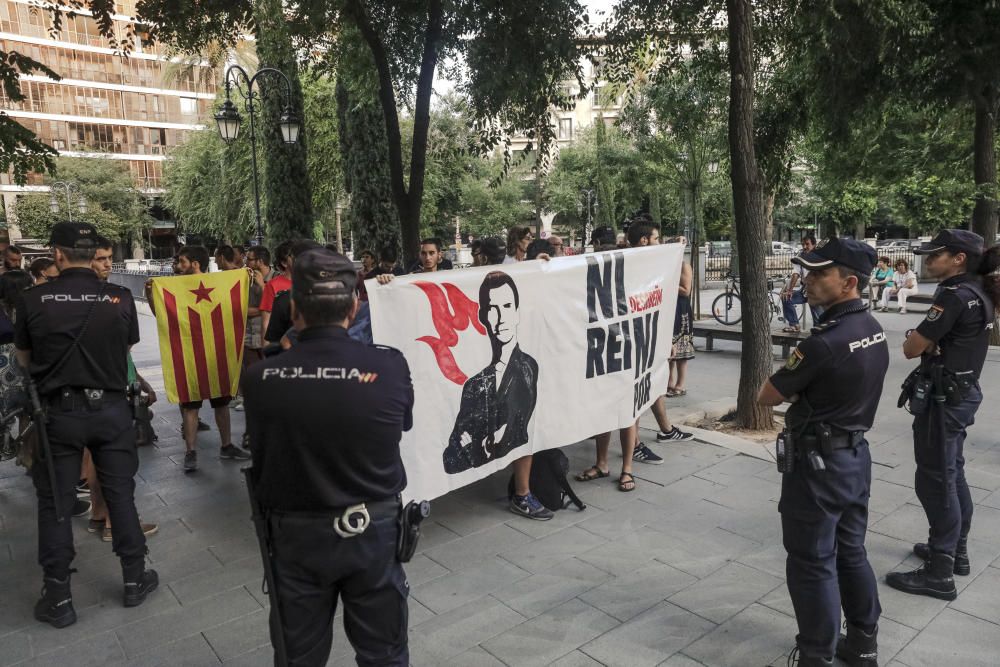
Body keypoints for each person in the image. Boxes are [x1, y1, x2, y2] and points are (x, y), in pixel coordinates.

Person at [244, 248, 413, 666]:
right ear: (354, 307)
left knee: (297, 656)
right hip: (373, 532)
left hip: (296, 537)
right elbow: (401, 425)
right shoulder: (390, 367)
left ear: (295, 307)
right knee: (384, 655)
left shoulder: (259, 378)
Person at [16, 221, 157, 629]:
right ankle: (134, 579)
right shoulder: (118, 297)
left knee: (57, 504)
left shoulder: (33, 299)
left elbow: (24, 362)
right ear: (91, 252)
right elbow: (124, 349)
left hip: (57, 415)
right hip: (111, 411)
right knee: (121, 496)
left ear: (57, 254)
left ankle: (58, 598)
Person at [757, 237, 888, 667]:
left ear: (848, 282)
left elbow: (766, 395)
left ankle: (816, 655)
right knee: (850, 551)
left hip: (818, 466)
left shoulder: (823, 342)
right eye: (808, 272)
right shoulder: (871, 328)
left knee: (812, 561)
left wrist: (802, 398)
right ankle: (863, 643)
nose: (808, 280)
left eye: (819, 273)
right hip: (854, 458)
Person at [885, 230, 999, 601]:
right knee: (952, 472)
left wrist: (919, 337)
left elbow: (911, 347)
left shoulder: (954, 296)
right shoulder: (978, 291)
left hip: (944, 400)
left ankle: (940, 570)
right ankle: (956, 552)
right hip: (963, 393)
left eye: (936, 254)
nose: (928, 260)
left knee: (935, 480)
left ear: (959, 258)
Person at [442, 272, 539, 473]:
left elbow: (517, 434)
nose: (502, 318)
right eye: (493, 309)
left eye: (507, 306)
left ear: (517, 312)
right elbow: (450, 459)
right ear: (483, 316)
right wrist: (484, 444)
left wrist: (474, 445)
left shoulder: (527, 367)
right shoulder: (475, 384)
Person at [172, 245, 250, 471]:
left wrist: (248, 280)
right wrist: (150, 293)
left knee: (220, 404)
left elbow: (236, 305)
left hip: (215, 355)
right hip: (193, 355)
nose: (179, 266)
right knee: (191, 406)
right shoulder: (176, 287)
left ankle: (222, 447)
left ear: (195, 264)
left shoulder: (218, 285)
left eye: (183, 262)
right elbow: (164, 317)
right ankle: (192, 451)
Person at [668, 237, 695, 397]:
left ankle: (680, 384)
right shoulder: (667, 266)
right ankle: (669, 382)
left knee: (682, 349)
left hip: (681, 308)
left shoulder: (684, 267)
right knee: (669, 348)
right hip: (669, 307)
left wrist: (669, 283)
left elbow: (686, 290)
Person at [781, 235, 817, 333]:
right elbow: (795, 273)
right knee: (786, 298)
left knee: (818, 323)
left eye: (807, 244)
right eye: (803, 244)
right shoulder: (800, 257)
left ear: (814, 245)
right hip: (805, 291)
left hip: (818, 293)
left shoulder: (820, 257)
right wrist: (789, 290)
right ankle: (794, 325)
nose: (804, 246)